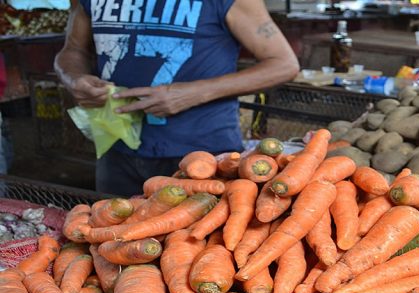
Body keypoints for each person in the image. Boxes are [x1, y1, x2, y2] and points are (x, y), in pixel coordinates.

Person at [55, 0, 300, 196]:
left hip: (202, 153)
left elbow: (283, 64)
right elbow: (73, 50)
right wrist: (74, 78)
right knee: (111, 244)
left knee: (198, 249)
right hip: (116, 149)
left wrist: (191, 94)